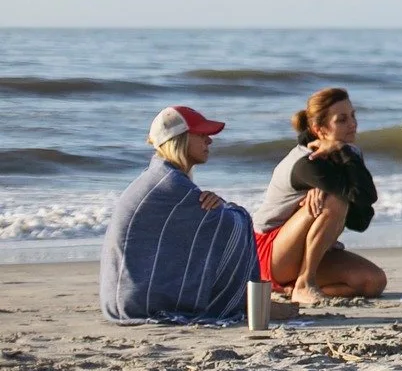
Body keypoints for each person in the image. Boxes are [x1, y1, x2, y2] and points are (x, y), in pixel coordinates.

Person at [101, 106, 295, 323]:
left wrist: (222, 206)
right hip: (139, 301)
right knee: (237, 224)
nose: (209, 141)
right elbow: (230, 224)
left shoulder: (161, 176)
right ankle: (247, 302)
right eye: (202, 135)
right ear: (180, 139)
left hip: (124, 296)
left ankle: (250, 301)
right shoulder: (171, 184)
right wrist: (228, 209)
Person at [252, 86, 387, 306]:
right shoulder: (307, 162)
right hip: (269, 253)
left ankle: (291, 288)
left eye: (353, 116)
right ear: (319, 129)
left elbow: (361, 220)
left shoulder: (348, 153)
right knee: (335, 200)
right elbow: (358, 195)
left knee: (373, 282)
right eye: (341, 120)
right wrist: (335, 188)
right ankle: (305, 283)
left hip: (306, 249)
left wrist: (343, 153)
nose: (352, 124)